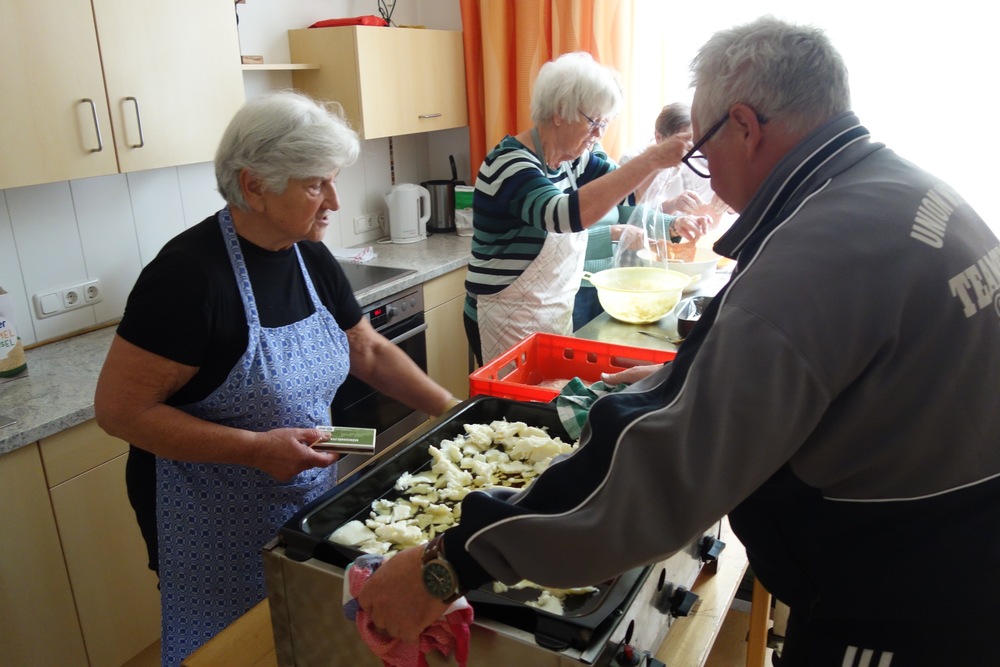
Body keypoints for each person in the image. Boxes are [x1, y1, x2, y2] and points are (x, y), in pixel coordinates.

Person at [358, 16, 1000, 666]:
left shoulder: (816, 254)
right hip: (951, 561)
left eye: (703, 152)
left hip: (906, 603)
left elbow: (666, 470)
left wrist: (449, 563)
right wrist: (687, 380)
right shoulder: (900, 189)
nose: (706, 175)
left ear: (746, 126)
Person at [93, 91, 458, 666]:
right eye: (317, 185)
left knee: (305, 626)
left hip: (308, 487)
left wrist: (452, 411)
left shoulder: (307, 255)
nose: (335, 200)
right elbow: (119, 412)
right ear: (255, 184)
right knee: (236, 646)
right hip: (210, 516)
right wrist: (255, 449)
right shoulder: (186, 278)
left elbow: (366, 350)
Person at [462, 51, 705, 363]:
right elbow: (563, 215)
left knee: (547, 399)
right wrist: (655, 157)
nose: (598, 135)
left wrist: (669, 222)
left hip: (553, 312)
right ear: (561, 112)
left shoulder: (577, 160)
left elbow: (624, 197)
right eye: (594, 122)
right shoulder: (510, 164)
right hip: (503, 316)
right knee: (514, 407)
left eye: (605, 123)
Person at [622, 101, 727, 221]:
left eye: (694, 141)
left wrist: (725, 202)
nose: (691, 149)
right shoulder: (630, 161)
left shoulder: (696, 158)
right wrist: (672, 205)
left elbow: (712, 204)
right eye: (682, 142)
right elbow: (630, 217)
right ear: (659, 137)